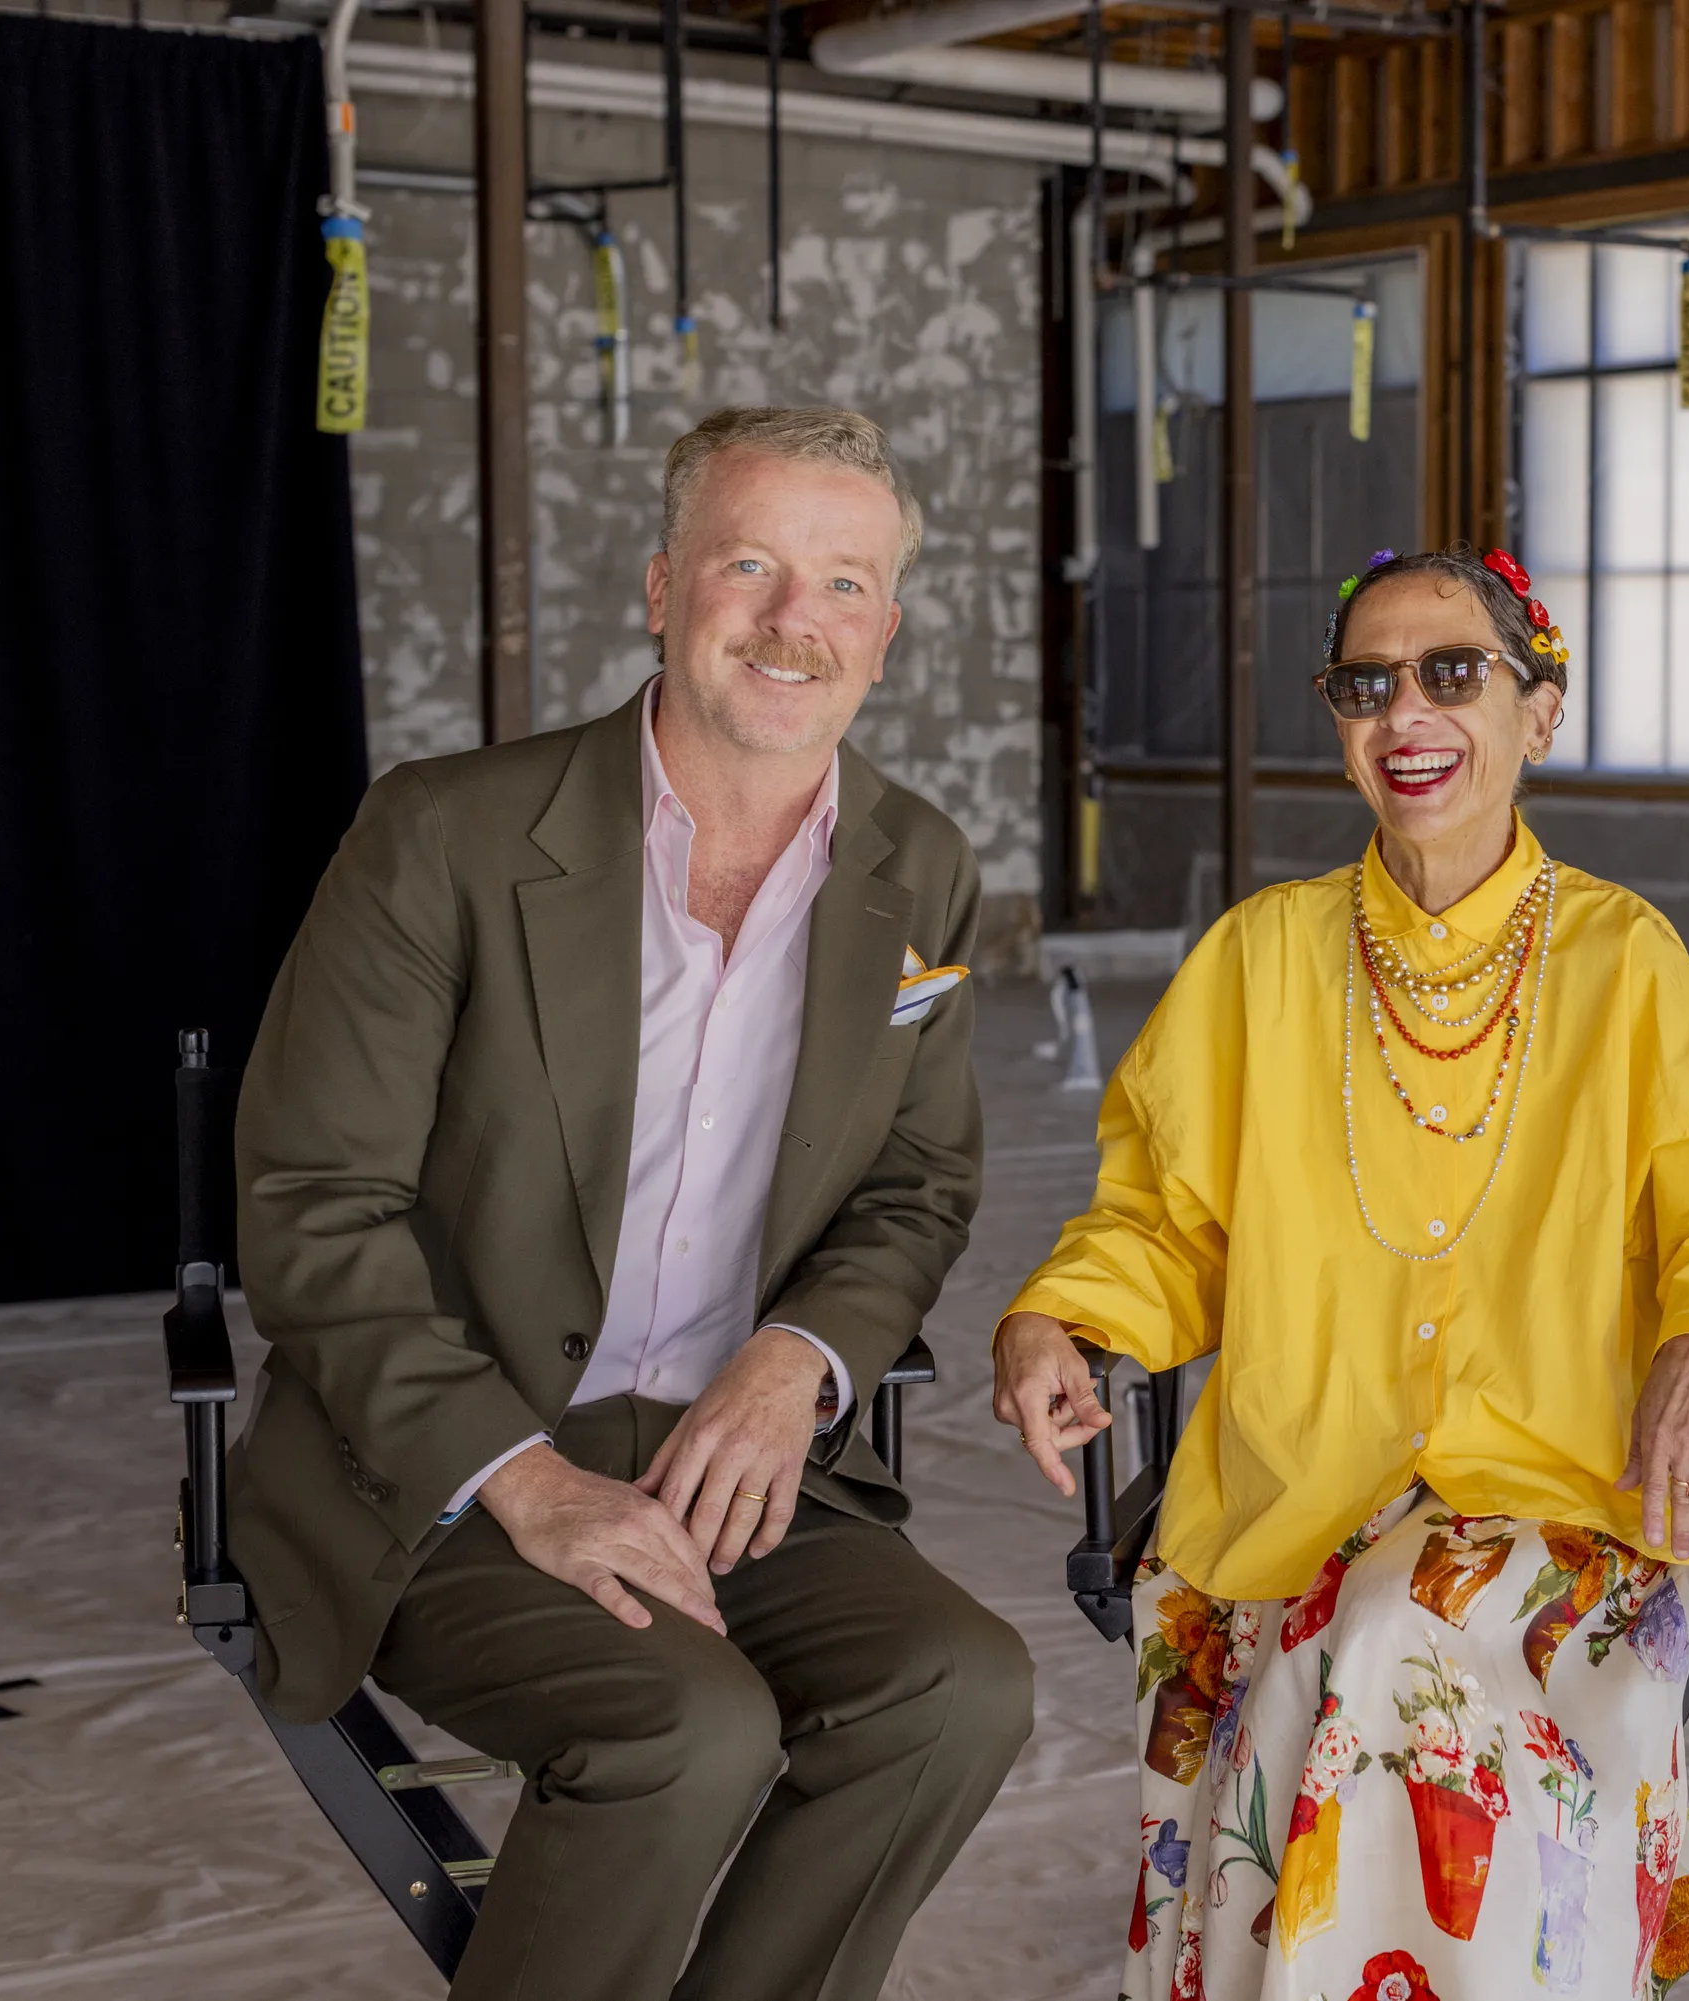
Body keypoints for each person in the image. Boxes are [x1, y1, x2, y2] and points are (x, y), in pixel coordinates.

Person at [229, 406, 1032, 2001]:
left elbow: (914, 1180)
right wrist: (526, 1480)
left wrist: (796, 1359)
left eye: (846, 582)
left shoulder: (921, 868)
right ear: (664, 588)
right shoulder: (442, 835)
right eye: (751, 565)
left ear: (888, 627)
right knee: (687, 1721)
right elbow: (315, 1203)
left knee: (958, 1686)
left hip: (727, 1462)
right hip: (442, 1470)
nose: (795, 620)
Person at [991, 545, 1689, 2001]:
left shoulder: (1625, 959)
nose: (1409, 714)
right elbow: (1164, 1220)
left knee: (1398, 1631)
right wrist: (1058, 1313)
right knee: (1358, 1631)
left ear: (1541, 710)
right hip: (1296, 1491)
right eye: (1367, 684)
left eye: (1454, 673)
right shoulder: (1261, 961)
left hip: (1565, 1492)